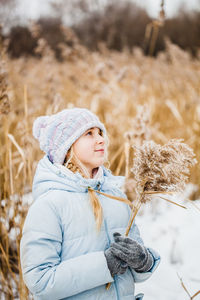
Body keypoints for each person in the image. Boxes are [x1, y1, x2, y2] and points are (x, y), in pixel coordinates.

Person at [20, 107, 160, 300]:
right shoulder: (49, 204)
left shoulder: (115, 195)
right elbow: (40, 282)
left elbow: (132, 272)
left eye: (100, 133)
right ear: (67, 147)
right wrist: (104, 265)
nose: (101, 139)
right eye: (89, 133)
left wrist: (144, 261)